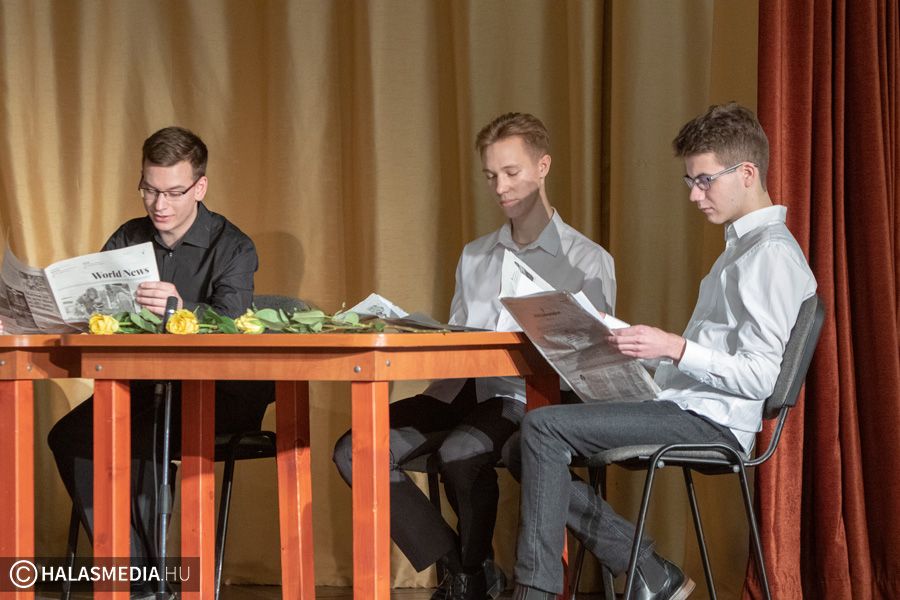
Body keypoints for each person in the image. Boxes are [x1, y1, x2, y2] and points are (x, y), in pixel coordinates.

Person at [505, 103, 818, 600]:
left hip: (711, 422)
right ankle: (647, 568)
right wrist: (625, 341)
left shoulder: (771, 255)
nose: (694, 195)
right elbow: (709, 354)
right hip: (682, 405)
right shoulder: (741, 249)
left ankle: (537, 592)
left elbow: (760, 378)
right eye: (690, 182)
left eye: (704, 181)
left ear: (747, 173)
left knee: (542, 428)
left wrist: (675, 347)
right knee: (519, 443)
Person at [332, 112, 616, 600]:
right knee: (354, 450)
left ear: (543, 166)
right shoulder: (476, 255)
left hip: (531, 397)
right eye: (490, 176)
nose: (500, 187)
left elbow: (589, 364)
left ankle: (469, 576)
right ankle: (465, 569)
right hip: (463, 391)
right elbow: (460, 337)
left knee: (461, 452)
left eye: (511, 172)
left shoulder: (588, 261)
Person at [47, 126, 274, 599]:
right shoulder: (128, 237)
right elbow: (95, 311)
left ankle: (145, 580)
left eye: (173, 192)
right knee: (71, 436)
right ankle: (133, 574)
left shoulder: (233, 246)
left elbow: (235, 325)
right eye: (149, 190)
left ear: (200, 187)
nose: (159, 204)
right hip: (145, 388)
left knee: (143, 437)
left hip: (219, 394)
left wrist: (183, 309)